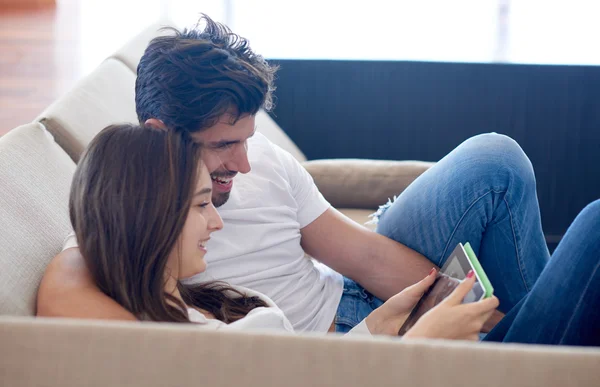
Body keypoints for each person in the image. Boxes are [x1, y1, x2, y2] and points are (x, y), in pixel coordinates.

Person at [36, 15, 599, 344]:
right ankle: (533, 354)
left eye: (246, 139)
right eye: (223, 146)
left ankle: (523, 348)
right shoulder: (130, 211)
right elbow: (64, 293)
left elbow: (366, 258)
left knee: (494, 161)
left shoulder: (261, 166)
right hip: (329, 344)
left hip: (350, 297)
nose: (245, 161)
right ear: (161, 133)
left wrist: (478, 318)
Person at [60, 123, 498, 340]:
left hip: (358, 331)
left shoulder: (206, 301)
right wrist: (421, 341)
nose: (216, 219)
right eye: (200, 205)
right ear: (147, 216)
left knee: (493, 164)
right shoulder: (179, 347)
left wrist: (384, 320)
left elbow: (314, 372)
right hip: (395, 368)